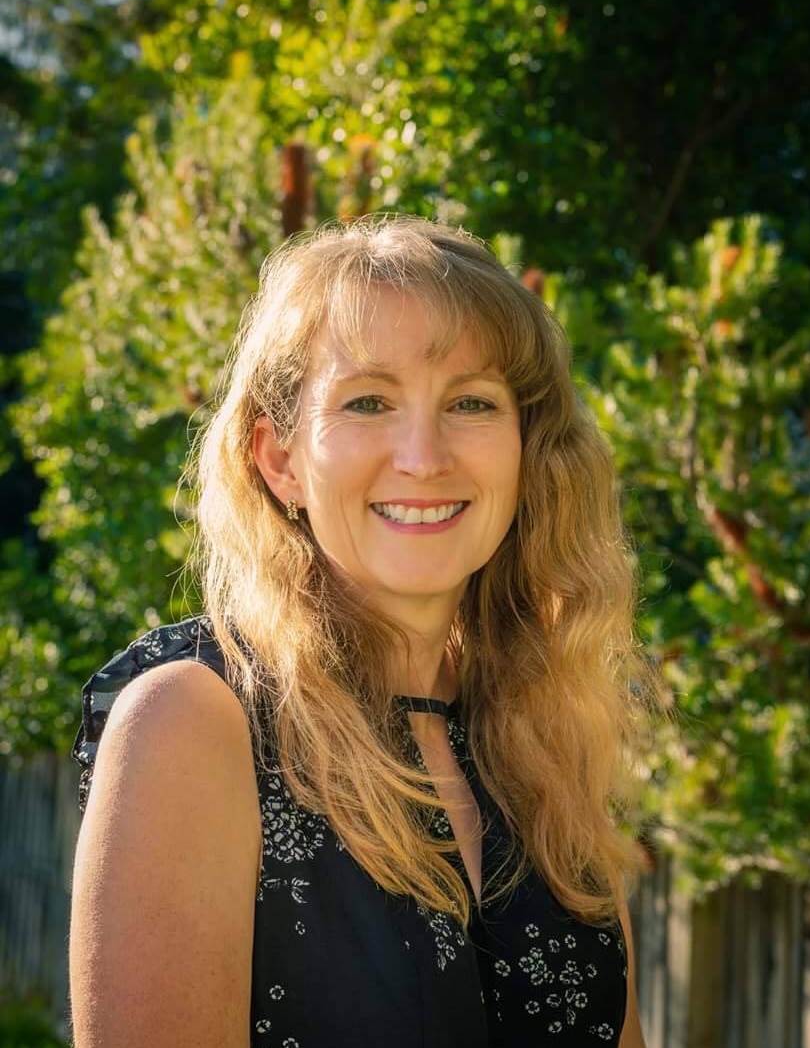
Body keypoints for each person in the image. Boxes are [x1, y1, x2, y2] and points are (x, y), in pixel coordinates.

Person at [69, 217, 650, 1048]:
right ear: (281, 461)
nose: (423, 456)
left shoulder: (544, 739)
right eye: (368, 401)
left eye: (471, 403)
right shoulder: (191, 721)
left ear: (527, 451)